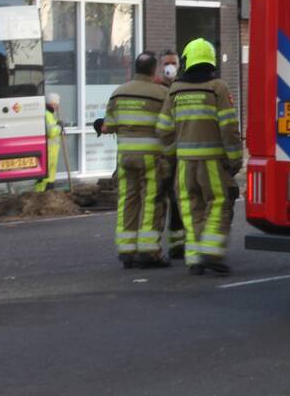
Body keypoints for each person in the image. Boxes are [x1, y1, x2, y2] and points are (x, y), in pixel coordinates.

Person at [156, 39, 242, 276]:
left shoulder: (175, 90)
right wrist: (235, 158)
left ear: (186, 60)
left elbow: (163, 129)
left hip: (184, 165)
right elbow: (229, 127)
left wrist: (173, 152)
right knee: (218, 202)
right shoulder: (218, 87)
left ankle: (194, 258)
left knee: (191, 207)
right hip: (212, 162)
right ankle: (211, 252)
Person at [103, 52, 172, 269]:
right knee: (152, 200)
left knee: (127, 200)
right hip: (152, 157)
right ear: (154, 70)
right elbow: (169, 126)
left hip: (125, 157)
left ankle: (126, 250)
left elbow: (109, 126)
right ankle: (149, 251)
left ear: (136, 68)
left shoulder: (118, 93)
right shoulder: (162, 94)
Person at [154, 49, 186, 259]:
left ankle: (177, 244)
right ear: (159, 66)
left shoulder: (183, 88)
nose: (170, 67)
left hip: (178, 154)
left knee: (177, 201)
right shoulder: (155, 89)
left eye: (173, 63)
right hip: (159, 156)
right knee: (156, 200)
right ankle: (151, 246)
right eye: (166, 63)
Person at [35, 93, 62, 192]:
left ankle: (49, 192)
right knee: (44, 174)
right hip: (48, 150)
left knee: (50, 173)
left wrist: (58, 125)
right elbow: (51, 132)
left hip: (52, 150)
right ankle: (39, 194)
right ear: (53, 103)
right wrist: (59, 128)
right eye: (57, 104)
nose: (58, 106)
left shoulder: (50, 114)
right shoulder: (47, 114)